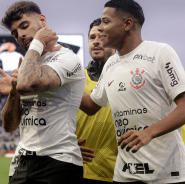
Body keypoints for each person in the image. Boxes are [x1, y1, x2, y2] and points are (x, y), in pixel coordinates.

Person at [80, 0, 185, 183]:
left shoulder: (160, 52)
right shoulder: (111, 64)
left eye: (105, 21)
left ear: (127, 24)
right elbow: (91, 105)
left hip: (166, 174)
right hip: (125, 174)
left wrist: (148, 132)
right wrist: (62, 80)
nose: (100, 28)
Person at [0, 1, 86, 183]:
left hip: (58, 161)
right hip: (21, 163)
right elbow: (10, 126)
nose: (20, 35)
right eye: (15, 33)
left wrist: (37, 42)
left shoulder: (67, 58)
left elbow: (27, 84)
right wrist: (13, 93)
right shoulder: (29, 66)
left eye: (24, 26)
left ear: (42, 20)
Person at [76, 18, 117, 183]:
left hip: (119, 172)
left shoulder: (127, 76)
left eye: (102, 36)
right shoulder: (76, 79)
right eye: (92, 38)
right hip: (79, 171)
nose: (96, 42)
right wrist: (67, 147)